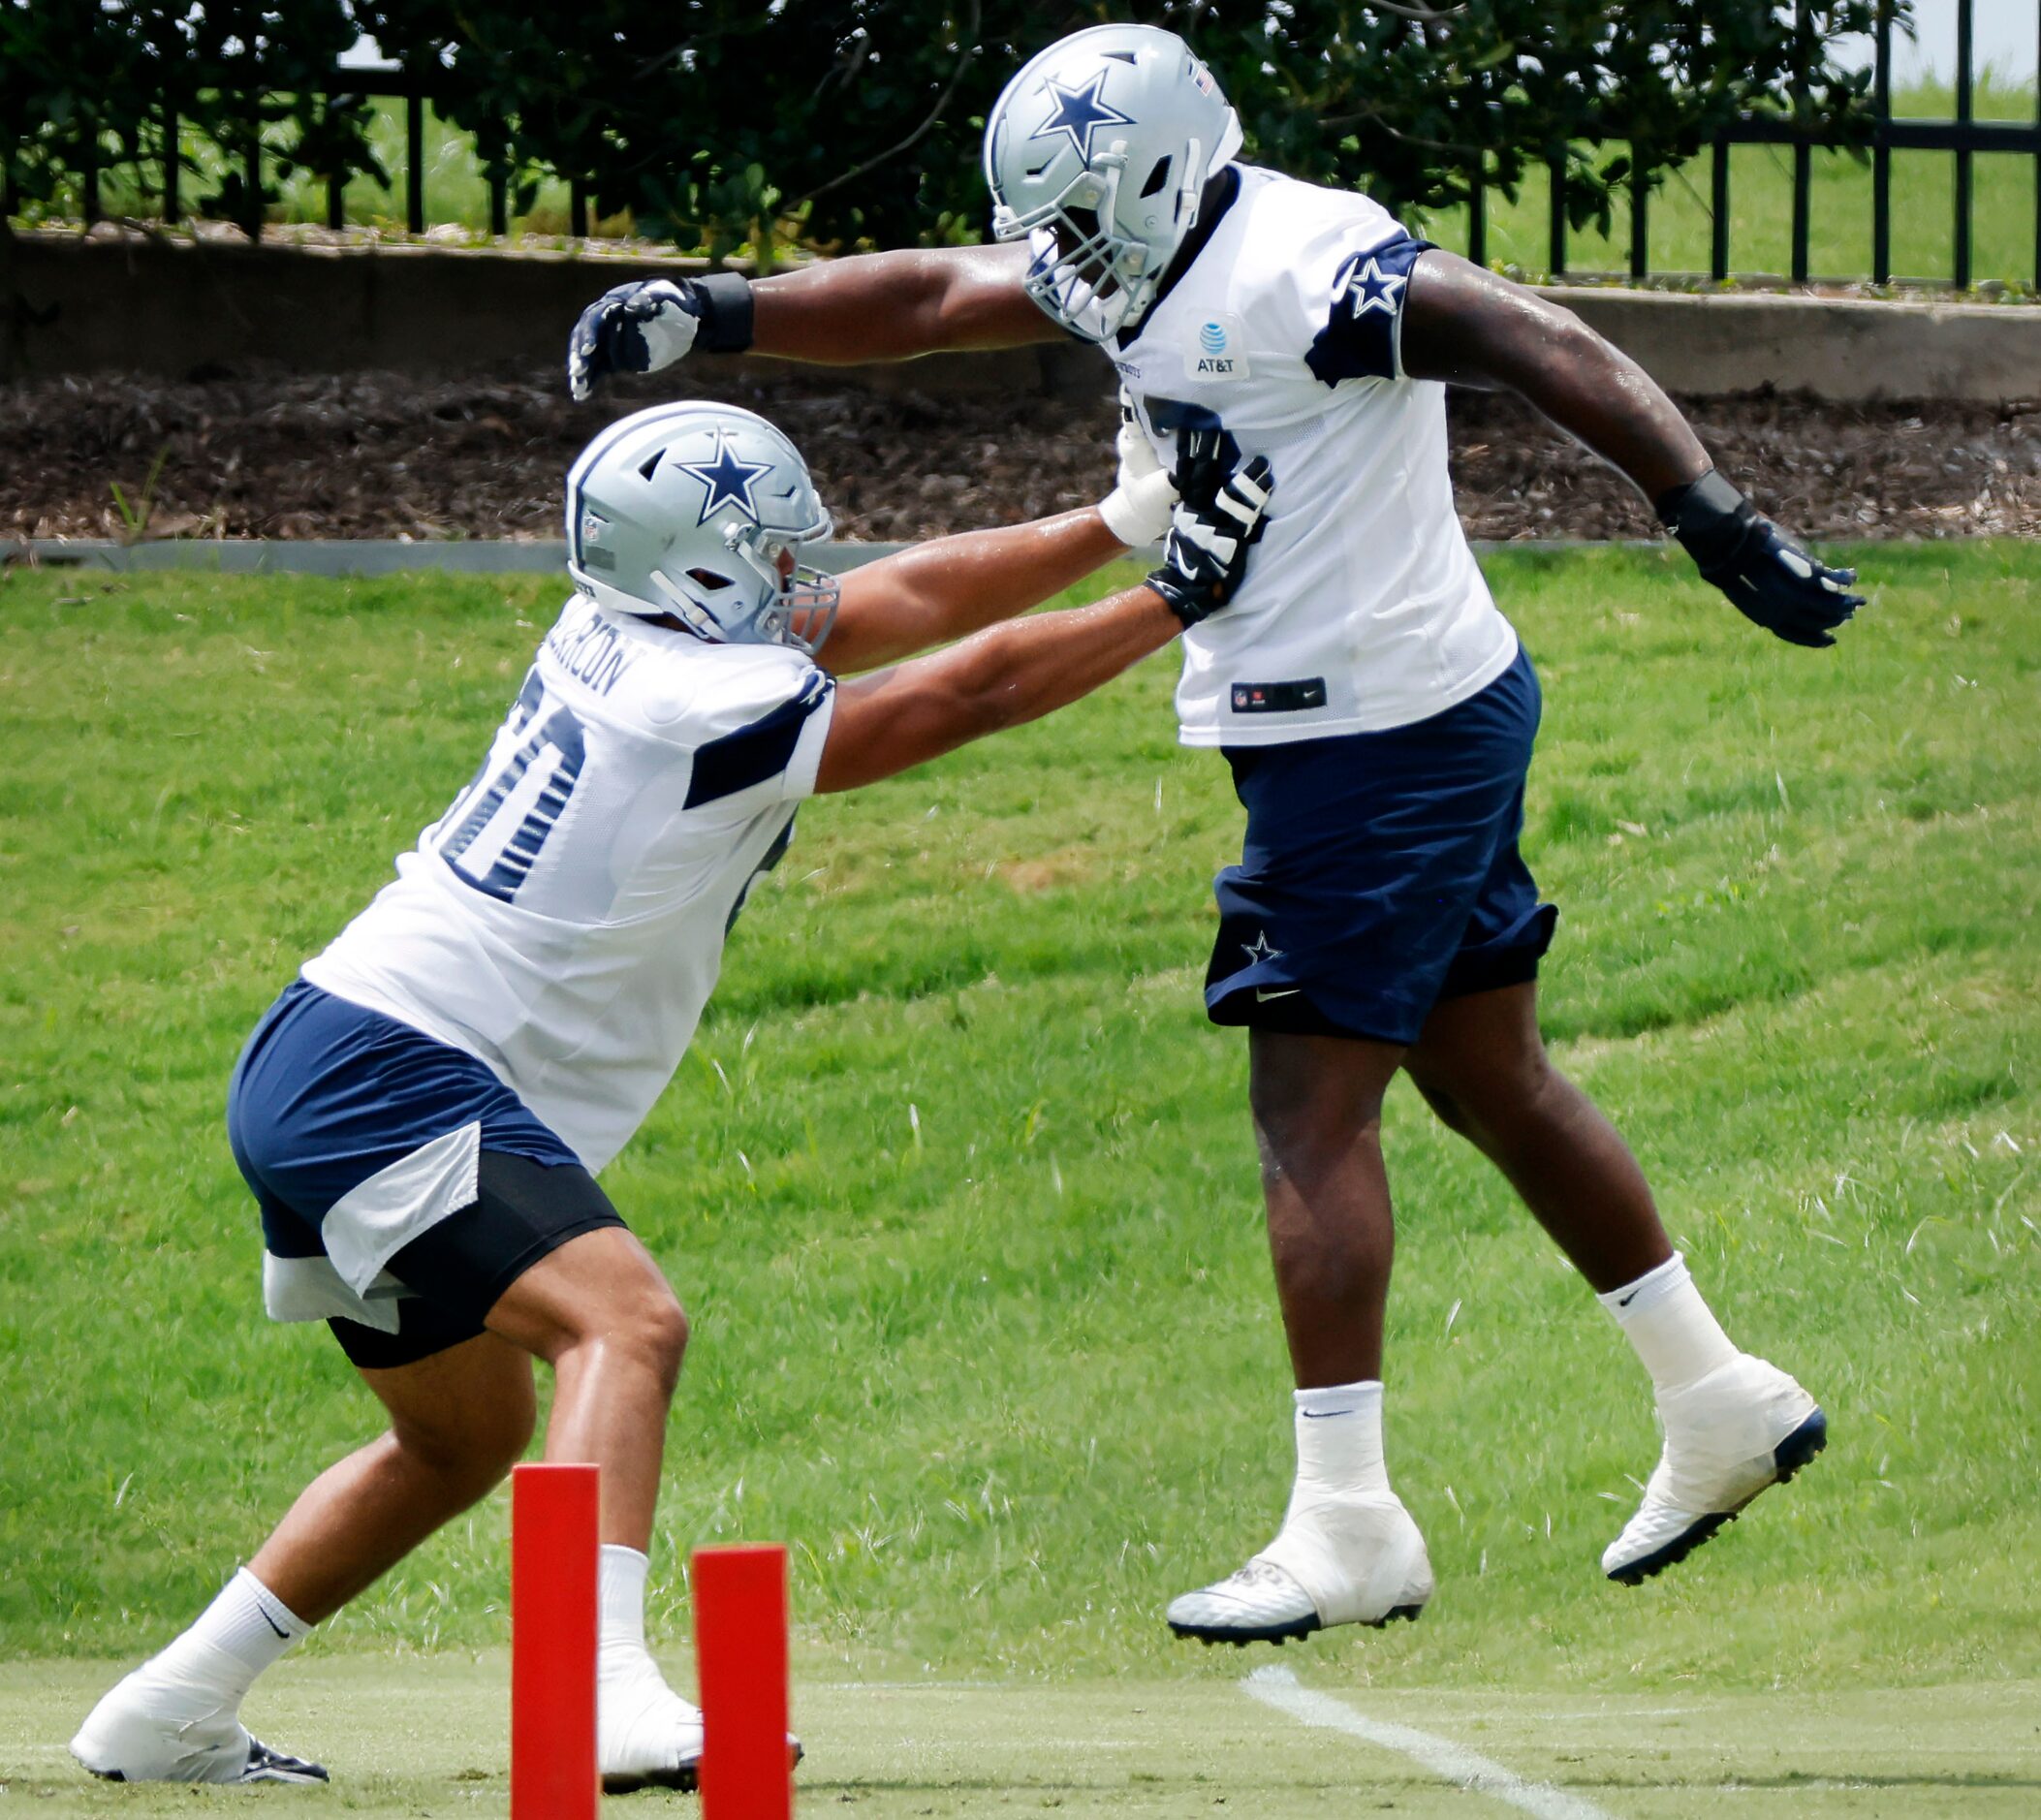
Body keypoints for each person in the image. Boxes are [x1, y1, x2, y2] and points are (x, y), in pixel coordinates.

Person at [567, 22, 1861, 1648]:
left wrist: (1704, 511)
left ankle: (1346, 1526)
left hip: (1368, 740)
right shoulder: (1138, 241)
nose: (1065, 266)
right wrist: (727, 311)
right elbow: (934, 298)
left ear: (1174, 169)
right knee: (1485, 1073)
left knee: (1306, 1118)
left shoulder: (1310, 267)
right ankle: (1717, 1395)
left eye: (1088, 226)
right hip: (1408, 713)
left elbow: (1531, 333)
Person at [68, 398, 1273, 1786]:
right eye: (761, 553)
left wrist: (1122, 523)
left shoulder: (621, 626)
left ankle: (170, 1703)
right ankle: (598, 1692)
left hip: (334, 1043)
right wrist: (1175, 594)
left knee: (462, 1437)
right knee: (624, 1326)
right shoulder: (710, 693)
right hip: (391, 1070)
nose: (789, 577)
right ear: (695, 567)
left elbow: (897, 600)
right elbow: (966, 689)